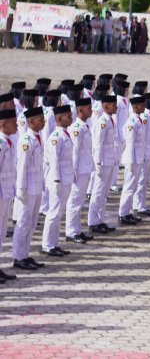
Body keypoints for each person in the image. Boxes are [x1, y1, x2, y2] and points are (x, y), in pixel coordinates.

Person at [12, 106, 47, 270]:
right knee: (23, 222)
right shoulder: (26, 141)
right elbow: (22, 167)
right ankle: (18, 257)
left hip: (36, 186)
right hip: (27, 188)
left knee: (32, 223)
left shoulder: (38, 137)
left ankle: (25, 254)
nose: (44, 122)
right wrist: (20, 189)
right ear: (31, 122)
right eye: (40, 119)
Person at [40, 105, 74, 257]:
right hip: (57, 180)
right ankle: (47, 245)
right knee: (53, 213)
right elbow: (53, 162)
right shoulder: (55, 138)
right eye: (68, 116)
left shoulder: (65, 134)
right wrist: (56, 181)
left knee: (59, 213)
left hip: (65, 178)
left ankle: (54, 243)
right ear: (59, 118)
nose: (71, 118)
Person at [65, 98, 95, 244]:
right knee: (74, 201)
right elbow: (75, 153)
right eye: (88, 108)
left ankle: (77, 230)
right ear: (80, 110)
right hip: (79, 171)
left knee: (80, 201)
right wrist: (74, 173)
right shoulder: (76, 128)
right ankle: (71, 232)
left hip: (85, 168)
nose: (91, 110)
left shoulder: (84, 125)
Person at [87, 94, 118, 234]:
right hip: (103, 162)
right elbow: (98, 144)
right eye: (113, 105)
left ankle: (100, 219)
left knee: (104, 193)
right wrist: (97, 163)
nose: (116, 107)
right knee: (98, 192)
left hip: (109, 160)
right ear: (106, 106)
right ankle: (93, 221)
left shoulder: (110, 120)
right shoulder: (102, 122)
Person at [118, 96, 146, 225]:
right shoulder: (132, 122)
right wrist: (130, 162)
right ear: (135, 107)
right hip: (132, 160)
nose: (144, 106)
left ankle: (127, 212)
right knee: (129, 187)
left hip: (137, 159)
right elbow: (129, 143)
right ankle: (123, 214)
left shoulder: (138, 120)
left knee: (133, 187)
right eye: (142, 105)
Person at [0, 109, 19, 281]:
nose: (17, 123)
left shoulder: (8, 142)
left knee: (1, 231)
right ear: (3, 124)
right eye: (14, 121)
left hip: (6, 192)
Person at [134, 92, 150, 216]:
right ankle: (137, 206)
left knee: (146, 181)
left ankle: (142, 204)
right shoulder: (145, 117)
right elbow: (142, 138)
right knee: (141, 181)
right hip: (145, 153)